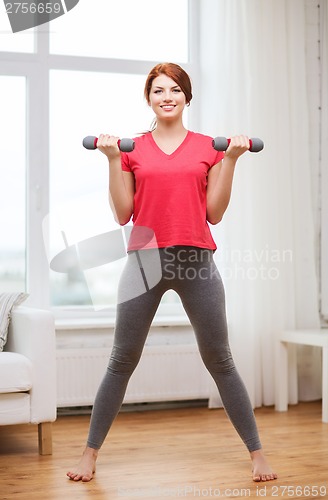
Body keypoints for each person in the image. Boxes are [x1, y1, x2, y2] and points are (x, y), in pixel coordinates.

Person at [67, 62, 277, 483]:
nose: (167, 96)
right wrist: (111, 159)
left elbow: (214, 214)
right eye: (159, 90)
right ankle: (89, 454)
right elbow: (124, 212)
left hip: (196, 262)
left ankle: (257, 454)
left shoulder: (208, 147)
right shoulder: (132, 148)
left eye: (175, 89)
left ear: (186, 96)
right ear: (149, 98)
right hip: (144, 262)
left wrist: (232, 158)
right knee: (121, 360)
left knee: (220, 359)